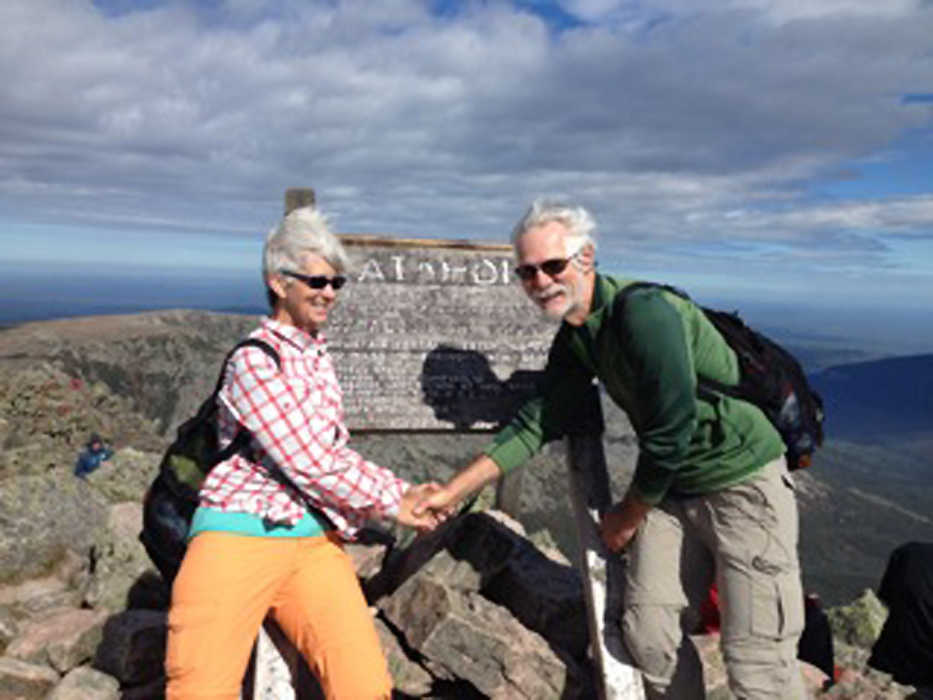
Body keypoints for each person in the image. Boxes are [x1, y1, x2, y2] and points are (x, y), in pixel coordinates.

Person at [415, 198, 806, 699]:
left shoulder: (645, 315)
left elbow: (672, 429)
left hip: (743, 483)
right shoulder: (578, 338)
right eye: (527, 272)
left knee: (757, 662)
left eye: (552, 266)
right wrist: (451, 492)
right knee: (649, 635)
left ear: (586, 258)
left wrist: (626, 516)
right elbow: (537, 422)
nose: (540, 282)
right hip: (673, 491)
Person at [164, 206, 441, 700]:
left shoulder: (317, 357)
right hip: (235, 534)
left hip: (312, 542)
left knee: (365, 686)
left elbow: (334, 454)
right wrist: (395, 504)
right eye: (316, 279)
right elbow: (308, 461)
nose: (329, 292)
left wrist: (405, 493)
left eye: (337, 282)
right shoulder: (255, 361)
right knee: (199, 689)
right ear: (278, 282)